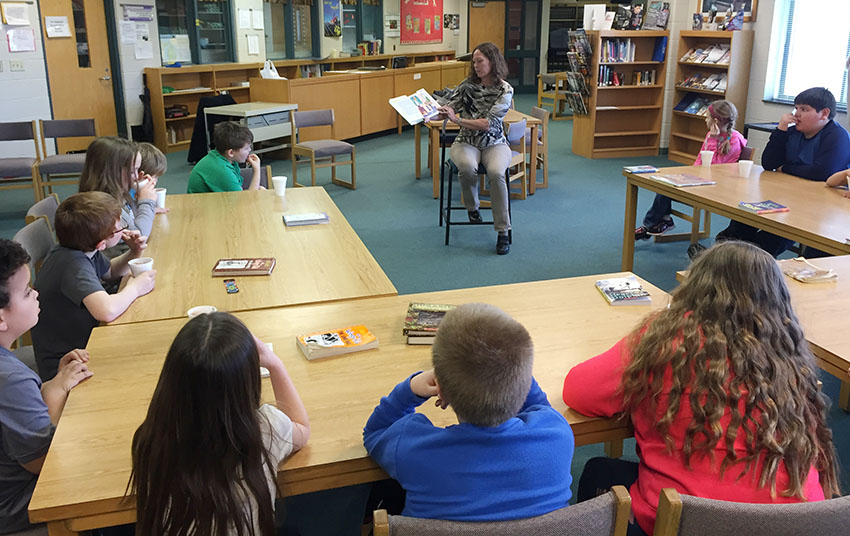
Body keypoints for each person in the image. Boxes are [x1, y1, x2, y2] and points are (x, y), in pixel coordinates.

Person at [563, 241, 839, 536]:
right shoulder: (789, 354)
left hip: (687, 522)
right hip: (799, 523)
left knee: (597, 473)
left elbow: (578, 392)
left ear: (695, 287)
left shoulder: (666, 339)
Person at [363, 303, 574, 521]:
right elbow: (541, 410)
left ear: (441, 389)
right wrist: (516, 375)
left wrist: (410, 390)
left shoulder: (414, 450)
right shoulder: (557, 434)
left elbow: (375, 432)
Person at [129, 312, 310, 536]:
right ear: (246, 383)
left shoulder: (151, 439)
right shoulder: (264, 428)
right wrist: (274, 363)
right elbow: (301, 427)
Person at [0, 238, 92, 532]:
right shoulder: (11, 379)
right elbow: (43, 461)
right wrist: (54, 394)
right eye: (27, 292)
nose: (36, 294)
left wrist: (54, 384)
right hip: (16, 503)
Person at [31, 192, 156, 380]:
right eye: (119, 227)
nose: (123, 228)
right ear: (102, 244)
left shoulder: (79, 248)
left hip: (81, 344)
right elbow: (107, 310)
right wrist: (136, 288)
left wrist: (133, 252)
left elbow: (110, 272)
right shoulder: (73, 265)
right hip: (65, 364)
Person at [715, 87, 850, 256]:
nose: (797, 114)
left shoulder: (837, 136)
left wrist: (785, 168)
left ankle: (749, 257)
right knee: (747, 211)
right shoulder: (792, 131)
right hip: (787, 192)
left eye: (804, 109)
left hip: (816, 204)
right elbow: (769, 162)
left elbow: (822, 172)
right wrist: (780, 130)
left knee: (780, 229)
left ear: (824, 113)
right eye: (797, 108)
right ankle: (725, 248)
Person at [437, 43, 514, 255]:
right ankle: (472, 208)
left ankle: (502, 231)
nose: (476, 66)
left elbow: (488, 124)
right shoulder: (468, 85)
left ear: (492, 62)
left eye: (480, 61)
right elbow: (450, 103)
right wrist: (429, 110)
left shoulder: (505, 90)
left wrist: (458, 119)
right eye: (474, 62)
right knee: (467, 167)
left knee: (497, 173)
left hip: (495, 142)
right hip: (466, 141)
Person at [636, 100, 746, 240]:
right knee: (665, 185)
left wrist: (712, 140)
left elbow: (714, 168)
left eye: (707, 117)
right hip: (702, 179)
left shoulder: (734, 141)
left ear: (715, 121)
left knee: (667, 189)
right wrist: (690, 175)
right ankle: (663, 220)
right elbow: (700, 160)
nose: (705, 120)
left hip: (716, 186)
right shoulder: (710, 135)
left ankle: (651, 225)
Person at [78, 137, 158, 241]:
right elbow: (139, 236)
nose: (136, 176)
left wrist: (139, 196)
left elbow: (133, 219)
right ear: (113, 172)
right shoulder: (104, 206)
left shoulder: (119, 194)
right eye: (133, 171)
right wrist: (146, 202)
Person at [187, 121, 262, 193]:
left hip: (213, 201)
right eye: (246, 148)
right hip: (203, 205)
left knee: (261, 190)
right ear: (231, 152)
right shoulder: (222, 170)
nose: (250, 150)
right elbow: (247, 200)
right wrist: (257, 170)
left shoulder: (221, 157)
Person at [137, 142, 169, 214]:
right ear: (141, 175)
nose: (155, 182)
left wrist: (152, 209)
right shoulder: (128, 195)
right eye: (154, 178)